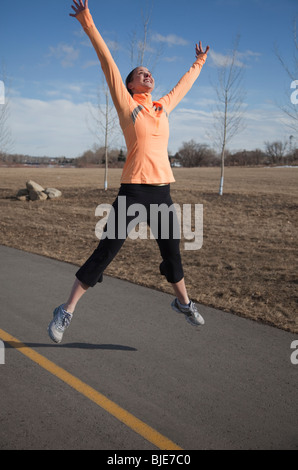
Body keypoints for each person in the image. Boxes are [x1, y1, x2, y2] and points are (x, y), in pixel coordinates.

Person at [48, 0, 209, 344]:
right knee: (106, 251)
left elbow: (184, 84)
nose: (148, 75)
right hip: (134, 192)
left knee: (173, 253)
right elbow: (107, 61)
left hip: (162, 191)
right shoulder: (127, 106)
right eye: (141, 74)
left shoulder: (162, 107)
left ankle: (183, 303)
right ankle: (66, 309)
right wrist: (87, 22)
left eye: (150, 73)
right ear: (131, 85)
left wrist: (200, 61)